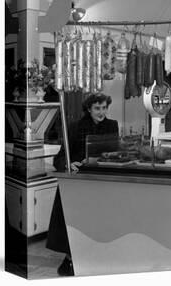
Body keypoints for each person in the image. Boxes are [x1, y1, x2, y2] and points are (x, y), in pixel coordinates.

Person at [47, 93, 119, 276]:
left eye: (104, 108)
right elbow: (61, 156)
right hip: (78, 182)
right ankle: (70, 259)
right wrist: (68, 163)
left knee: (99, 223)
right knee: (74, 223)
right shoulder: (75, 127)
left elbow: (116, 153)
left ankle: (96, 258)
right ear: (88, 109)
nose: (101, 112)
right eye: (97, 108)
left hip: (102, 182)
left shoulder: (112, 126)